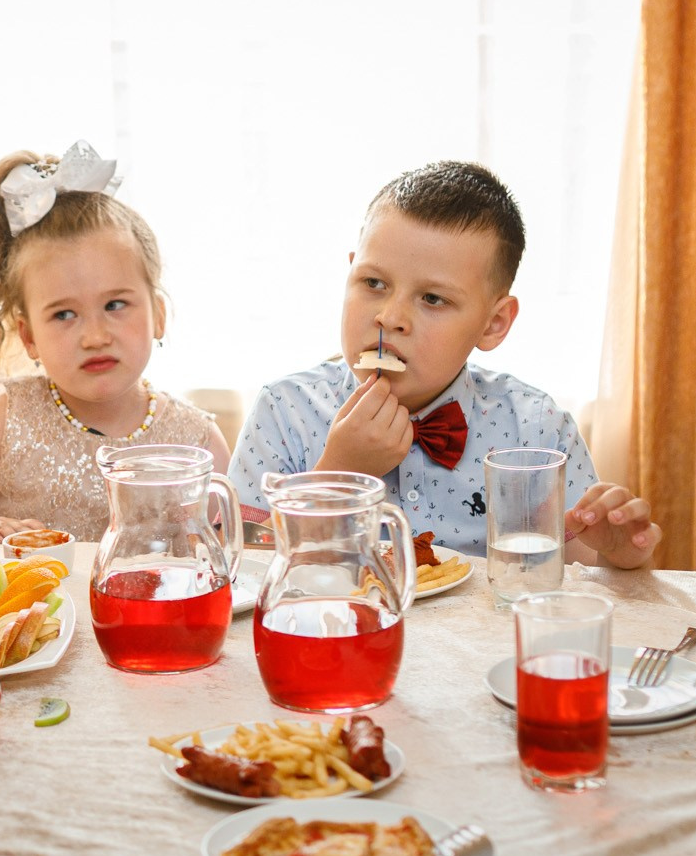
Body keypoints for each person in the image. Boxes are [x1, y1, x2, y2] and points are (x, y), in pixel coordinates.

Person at [228, 159, 661, 564]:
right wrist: (342, 475)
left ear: (493, 324)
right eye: (373, 282)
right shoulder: (282, 412)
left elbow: (574, 575)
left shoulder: (537, 429)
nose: (390, 318)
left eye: (433, 298)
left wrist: (618, 555)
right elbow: (242, 568)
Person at [0, 141, 230, 542]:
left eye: (115, 304)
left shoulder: (197, 443)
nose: (95, 337)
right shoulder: (3, 424)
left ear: (158, 315)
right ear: (29, 337)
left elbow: (225, 567)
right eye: (64, 314)